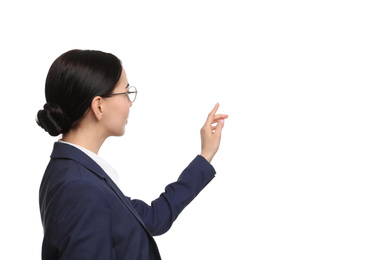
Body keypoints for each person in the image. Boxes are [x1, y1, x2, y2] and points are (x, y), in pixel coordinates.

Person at [36, 49, 228, 260]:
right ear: (99, 106)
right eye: (126, 93)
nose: (130, 102)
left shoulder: (77, 171)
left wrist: (205, 154)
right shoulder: (81, 187)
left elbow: (154, 218)